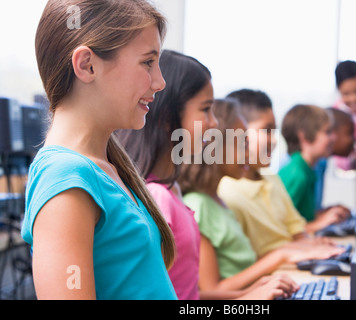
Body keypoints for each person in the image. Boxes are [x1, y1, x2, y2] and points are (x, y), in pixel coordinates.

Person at [21, 0, 177, 300]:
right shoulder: (65, 177)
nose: (160, 82)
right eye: (147, 62)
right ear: (87, 65)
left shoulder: (104, 168)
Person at [117, 51, 298, 300]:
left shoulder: (172, 191)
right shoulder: (158, 197)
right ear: (168, 118)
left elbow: (189, 294)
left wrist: (248, 293)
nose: (214, 124)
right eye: (205, 110)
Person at [218, 89, 345, 258]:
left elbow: (295, 230)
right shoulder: (227, 192)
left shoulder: (271, 177)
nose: (275, 139)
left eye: (274, 131)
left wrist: (311, 245)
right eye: (266, 130)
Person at [278, 104, 351, 232]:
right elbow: (279, 228)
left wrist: (325, 214)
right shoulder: (296, 175)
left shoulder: (308, 170)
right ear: (304, 136)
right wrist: (318, 224)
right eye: (327, 132)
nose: (333, 137)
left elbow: (300, 218)